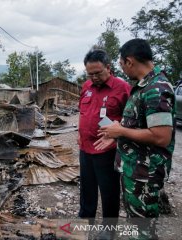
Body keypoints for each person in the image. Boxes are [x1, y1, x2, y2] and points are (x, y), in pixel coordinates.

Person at [96, 39, 175, 238]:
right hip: (136, 170)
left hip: (145, 173)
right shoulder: (143, 86)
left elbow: (161, 136)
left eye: (122, 65)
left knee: (142, 230)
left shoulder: (155, 89)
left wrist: (120, 131)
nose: (122, 70)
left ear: (129, 61)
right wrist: (117, 132)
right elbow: (140, 127)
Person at [78, 49, 131, 222]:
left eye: (97, 73)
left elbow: (132, 119)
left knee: (109, 191)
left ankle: (109, 228)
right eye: (89, 74)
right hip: (85, 148)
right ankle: (86, 220)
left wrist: (118, 135)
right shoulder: (86, 87)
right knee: (87, 188)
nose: (93, 77)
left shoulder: (122, 88)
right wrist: (80, 132)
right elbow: (82, 112)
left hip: (107, 150)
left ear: (108, 67)